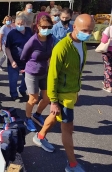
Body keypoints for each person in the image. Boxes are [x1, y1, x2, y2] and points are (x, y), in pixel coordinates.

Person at [33, 14, 95, 172]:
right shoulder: (61, 47)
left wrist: (76, 90)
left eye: (90, 31)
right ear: (74, 27)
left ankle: (40, 136)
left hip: (71, 93)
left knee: (54, 116)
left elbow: (77, 71)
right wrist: (53, 101)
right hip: (61, 96)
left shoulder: (82, 44)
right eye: (84, 30)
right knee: (68, 129)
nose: (87, 33)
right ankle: (72, 164)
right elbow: (52, 75)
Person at [20, 15, 54, 131]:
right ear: (38, 26)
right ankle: (27, 118)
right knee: (33, 99)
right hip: (32, 73)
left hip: (45, 72)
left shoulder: (51, 39)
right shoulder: (32, 41)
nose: (46, 29)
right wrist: (25, 68)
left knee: (47, 98)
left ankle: (37, 115)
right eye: (44, 26)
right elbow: (23, 56)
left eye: (49, 27)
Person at [5, 15, 33, 101]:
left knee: (27, 78)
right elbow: (7, 48)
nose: (20, 25)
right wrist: (11, 60)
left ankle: (22, 90)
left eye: (22, 23)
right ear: (15, 23)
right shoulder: (11, 34)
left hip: (27, 61)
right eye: (18, 24)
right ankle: (14, 95)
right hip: (14, 60)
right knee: (13, 79)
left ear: (25, 23)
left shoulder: (29, 31)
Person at [101, 24, 112, 93]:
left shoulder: (109, 28)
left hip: (108, 51)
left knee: (108, 68)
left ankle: (109, 86)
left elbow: (104, 40)